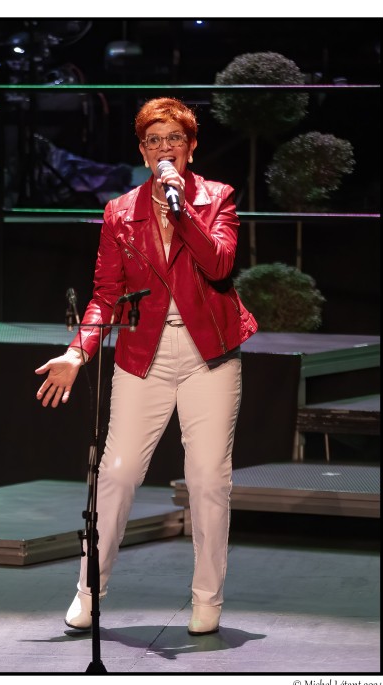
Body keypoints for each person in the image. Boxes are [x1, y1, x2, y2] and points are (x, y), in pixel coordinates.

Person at [34, 97, 257, 636]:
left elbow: (219, 264)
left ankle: (207, 598)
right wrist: (78, 352)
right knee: (116, 473)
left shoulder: (217, 198)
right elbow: (105, 294)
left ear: (191, 147)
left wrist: (182, 211)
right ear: (142, 151)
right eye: (154, 141)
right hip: (143, 354)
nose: (164, 148)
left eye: (174, 139)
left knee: (208, 479)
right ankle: (90, 590)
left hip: (209, 354)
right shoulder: (119, 212)